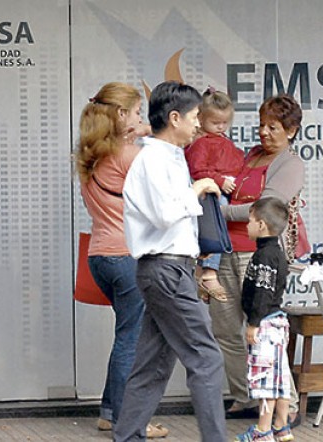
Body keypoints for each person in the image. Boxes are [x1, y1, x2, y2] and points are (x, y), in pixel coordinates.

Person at [114, 81, 227, 442]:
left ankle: (128, 435)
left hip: (166, 268)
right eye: (195, 116)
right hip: (166, 269)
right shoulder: (154, 160)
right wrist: (198, 188)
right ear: (175, 118)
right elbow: (164, 214)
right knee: (206, 357)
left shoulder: (169, 157)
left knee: (153, 364)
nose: (198, 123)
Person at [75, 82, 167, 439]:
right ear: (121, 114)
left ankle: (110, 412)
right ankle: (128, 420)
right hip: (127, 255)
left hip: (100, 256)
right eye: (137, 112)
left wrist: (140, 130)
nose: (141, 118)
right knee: (133, 339)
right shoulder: (131, 156)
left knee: (126, 334)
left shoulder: (92, 153)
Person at [212, 94, 304, 425]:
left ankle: (287, 406)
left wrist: (217, 213)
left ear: (291, 131)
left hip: (257, 253)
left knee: (263, 332)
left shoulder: (290, 164)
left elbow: (265, 207)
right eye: (262, 125)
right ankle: (246, 396)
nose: (264, 132)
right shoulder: (250, 154)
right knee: (225, 330)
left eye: (273, 127)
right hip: (225, 249)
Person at [234, 197, 293, 442]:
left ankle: (263, 429)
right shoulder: (275, 253)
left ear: (261, 225)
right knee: (280, 376)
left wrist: (254, 323)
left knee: (264, 378)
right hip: (276, 323)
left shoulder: (264, 256)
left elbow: (262, 292)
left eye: (250, 221)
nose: (246, 226)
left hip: (265, 325)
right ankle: (282, 425)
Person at [185, 88, 244, 303]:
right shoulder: (201, 143)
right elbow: (198, 170)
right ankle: (209, 270)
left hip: (225, 187)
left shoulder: (222, 140)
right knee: (216, 222)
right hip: (212, 192)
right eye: (215, 122)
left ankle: (205, 272)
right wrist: (220, 181)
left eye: (225, 123)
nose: (220, 127)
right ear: (200, 119)